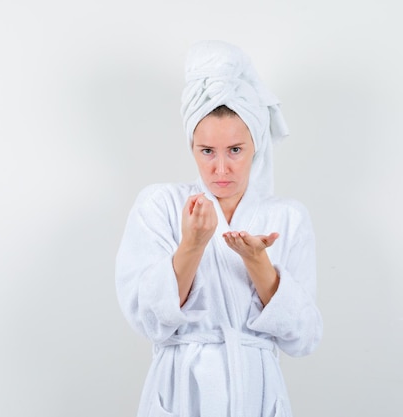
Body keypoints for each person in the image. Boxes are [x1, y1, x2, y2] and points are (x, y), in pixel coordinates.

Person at [115, 40, 323, 417]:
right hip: (182, 390)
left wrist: (259, 264)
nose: (221, 169)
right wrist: (192, 245)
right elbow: (149, 319)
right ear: (192, 146)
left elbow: (304, 337)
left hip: (256, 394)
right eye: (207, 151)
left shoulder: (288, 217)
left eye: (236, 150)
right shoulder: (159, 205)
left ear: (256, 146)